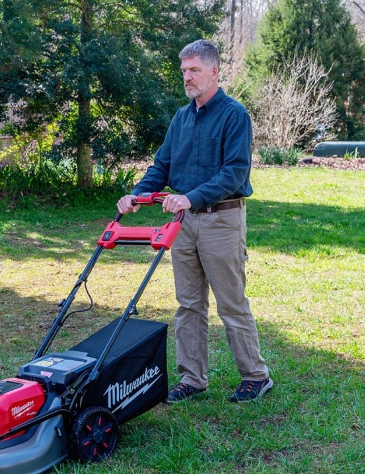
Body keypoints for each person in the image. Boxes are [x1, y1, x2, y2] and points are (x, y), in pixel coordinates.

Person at [117, 39, 273, 403]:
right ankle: (193, 378)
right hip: (183, 224)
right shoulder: (181, 117)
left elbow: (234, 172)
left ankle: (255, 375)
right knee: (188, 304)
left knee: (230, 302)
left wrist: (191, 196)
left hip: (221, 220)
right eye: (184, 71)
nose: (187, 77)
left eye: (194, 71)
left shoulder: (234, 115)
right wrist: (137, 196)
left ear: (214, 71)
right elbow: (162, 165)